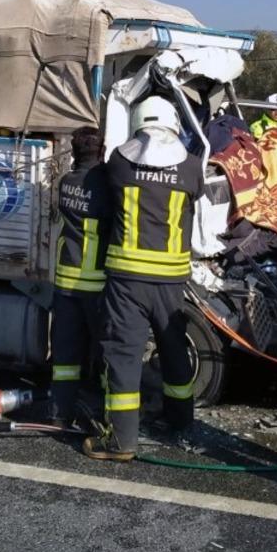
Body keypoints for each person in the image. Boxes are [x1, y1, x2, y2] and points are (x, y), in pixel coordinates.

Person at [84, 96, 205, 462]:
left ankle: (121, 441)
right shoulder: (192, 166)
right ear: (172, 123)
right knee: (174, 350)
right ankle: (180, 420)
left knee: (124, 355)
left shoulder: (119, 161)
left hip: (128, 279)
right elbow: (196, 196)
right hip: (170, 279)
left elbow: (105, 202)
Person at [50, 126, 110, 428]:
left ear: (74, 152)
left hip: (66, 281)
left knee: (65, 353)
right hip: (96, 282)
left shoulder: (66, 183)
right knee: (102, 352)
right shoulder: (105, 184)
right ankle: (100, 415)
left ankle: (61, 412)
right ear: (101, 150)